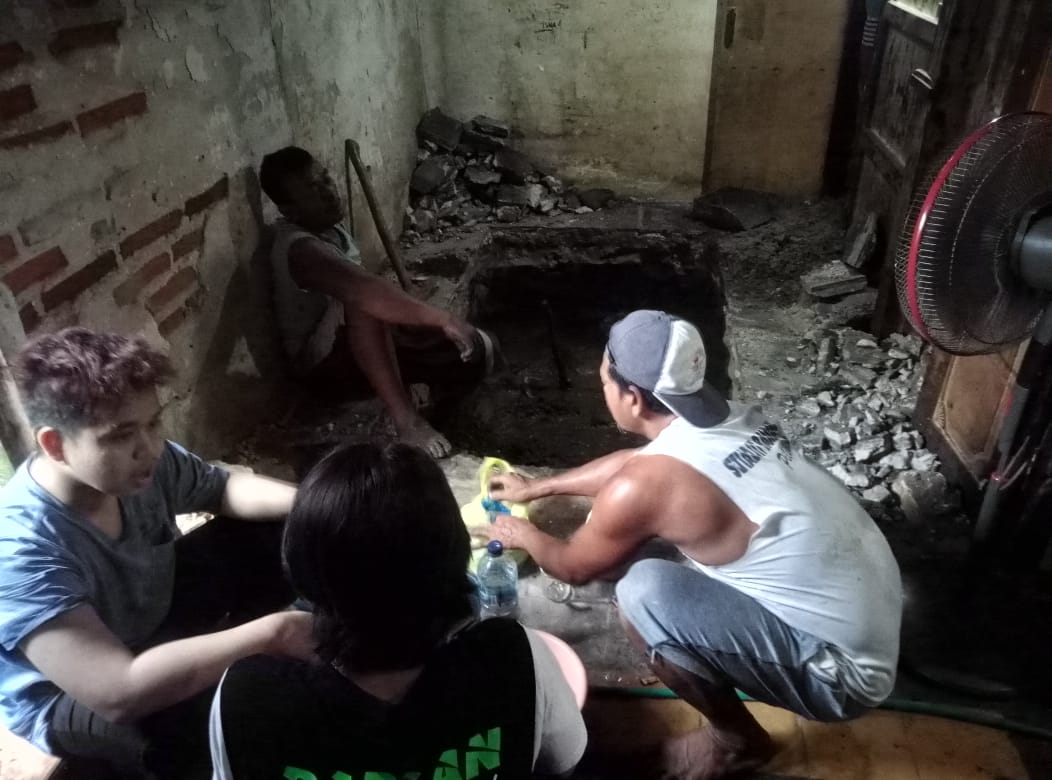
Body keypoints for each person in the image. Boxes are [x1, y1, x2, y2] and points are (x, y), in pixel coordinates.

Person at [477, 310, 903, 780]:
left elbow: (573, 567)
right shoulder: (728, 417)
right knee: (663, 550)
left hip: (842, 677)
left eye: (603, 382)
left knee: (644, 595)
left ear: (632, 398)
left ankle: (736, 741)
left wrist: (521, 533)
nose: (603, 390)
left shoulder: (650, 486)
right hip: (874, 614)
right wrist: (538, 487)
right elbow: (636, 465)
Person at [0, 328, 314, 779]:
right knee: (199, 728)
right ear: (55, 445)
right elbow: (117, 691)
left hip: (148, 614)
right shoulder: (19, 550)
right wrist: (275, 633)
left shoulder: (142, 466)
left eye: (153, 423)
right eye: (121, 435)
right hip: (75, 690)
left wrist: (320, 504)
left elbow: (222, 488)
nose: (149, 448)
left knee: (290, 526)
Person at [209, 441, 587, 779]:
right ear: (455, 559)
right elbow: (563, 764)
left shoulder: (249, 698)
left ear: (300, 568)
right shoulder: (513, 658)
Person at [260, 146, 497, 459]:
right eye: (313, 190)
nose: (329, 192)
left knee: (479, 348)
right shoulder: (301, 249)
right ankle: (408, 422)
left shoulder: (328, 229)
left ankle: (450, 414)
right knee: (365, 301)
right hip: (325, 370)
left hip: (351, 344)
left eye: (325, 179)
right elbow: (363, 289)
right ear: (290, 210)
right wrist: (443, 319)